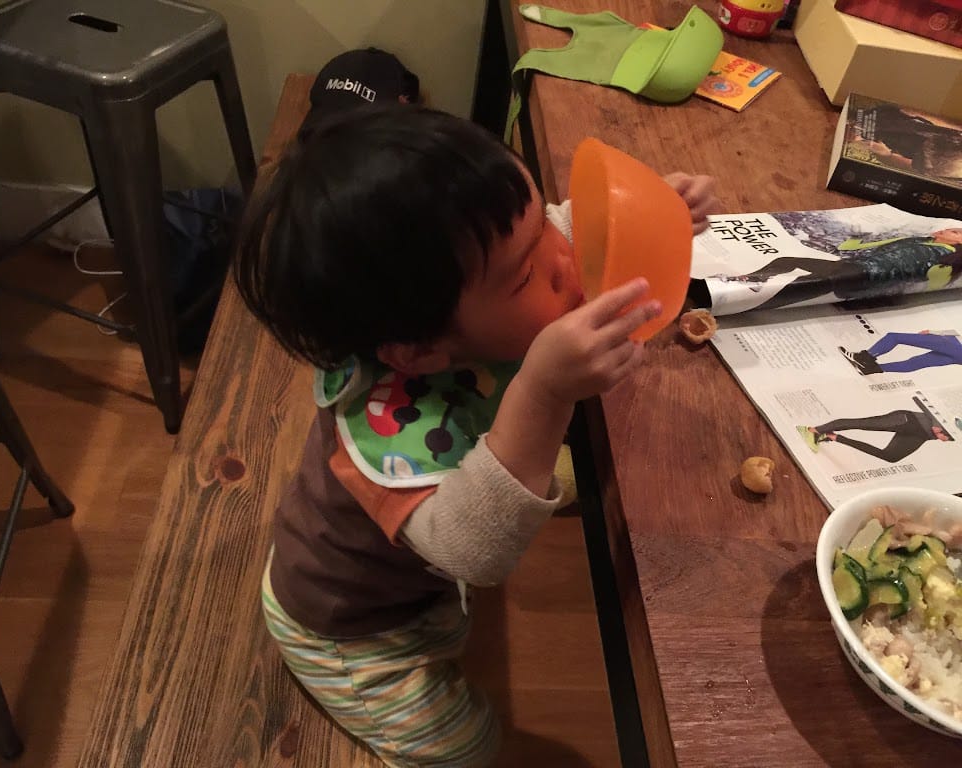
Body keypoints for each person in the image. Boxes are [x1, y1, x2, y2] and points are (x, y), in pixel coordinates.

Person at [232, 104, 718, 767]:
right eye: (526, 274)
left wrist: (646, 211)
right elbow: (473, 554)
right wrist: (543, 393)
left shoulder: (460, 294)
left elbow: (549, 227)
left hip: (423, 590)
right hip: (354, 626)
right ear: (419, 353)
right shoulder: (385, 439)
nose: (563, 256)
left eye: (542, 225)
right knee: (468, 747)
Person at [715, 227, 962, 310]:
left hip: (860, 277)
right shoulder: (924, 241)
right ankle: (747, 284)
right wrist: (855, 241)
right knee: (789, 263)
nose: (944, 230)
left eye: (954, 232)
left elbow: (916, 275)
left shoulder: (942, 254)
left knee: (793, 289)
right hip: (853, 267)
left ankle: (738, 299)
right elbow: (873, 247)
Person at [797, 397, 953, 464]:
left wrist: (945, 435)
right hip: (912, 420)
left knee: (891, 457)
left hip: (923, 434)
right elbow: (946, 408)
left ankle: (833, 437)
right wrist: (938, 425)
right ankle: (813, 430)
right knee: (862, 424)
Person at [839, 329, 962, 375]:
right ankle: (871, 369)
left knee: (895, 337)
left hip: (956, 343)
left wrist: (939, 332)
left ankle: (864, 358)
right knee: (917, 362)